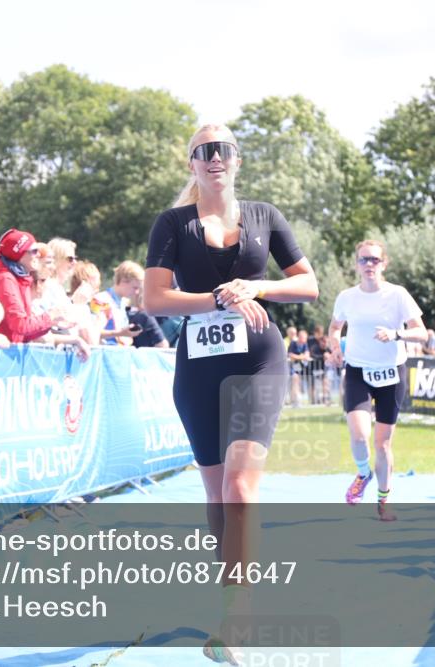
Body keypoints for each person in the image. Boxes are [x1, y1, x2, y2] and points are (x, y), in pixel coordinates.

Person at [143, 123, 317, 663]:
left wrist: (257, 285)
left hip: (259, 361)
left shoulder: (265, 216)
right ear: (191, 164)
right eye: (204, 151)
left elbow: (308, 285)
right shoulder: (172, 224)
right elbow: (154, 298)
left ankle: (237, 624)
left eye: (224, 150)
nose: (215, 158)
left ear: (237, 160)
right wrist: (218, 298)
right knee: (218, 496)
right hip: (197, 368)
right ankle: (232, 600)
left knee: (241, 488)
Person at [327, 239, 427, 522]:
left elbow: (422, 333)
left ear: (384, 264)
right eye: (363, 260)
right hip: (358, 371)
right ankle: (362, 474)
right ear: (356, 264)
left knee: (382, 444)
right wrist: (335, 347)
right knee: (359, 435)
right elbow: (335, 327)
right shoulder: (347, 297)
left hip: (392, 373)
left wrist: (397, 335)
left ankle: (383, 501)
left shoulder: (398, 295)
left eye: (374, 260)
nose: (369, 264)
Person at [92, 261, 145, 346]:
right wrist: (120, 333)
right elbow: (93, 333)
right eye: (135, 287)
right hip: (104, 354)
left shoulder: (123, 302)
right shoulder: (101, 300)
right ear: (123, 281)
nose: (137, 292)